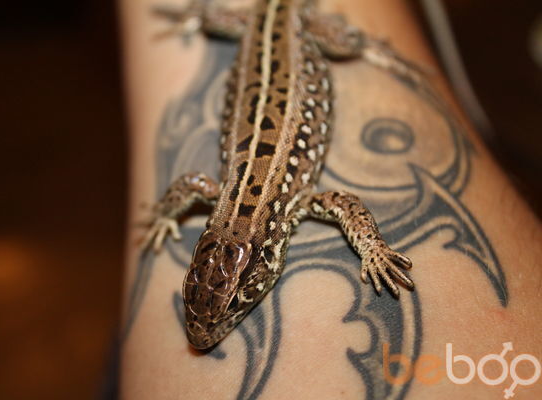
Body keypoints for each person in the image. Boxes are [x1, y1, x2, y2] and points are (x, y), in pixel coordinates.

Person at [118, 0, 542, 398]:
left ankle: (369, 46)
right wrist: (165, 214)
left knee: (348, 45)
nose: (203, 333)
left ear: (265, 263)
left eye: (231, 308)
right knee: (216, 19)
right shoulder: (251, 199)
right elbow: (195, 185)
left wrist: (372, 247)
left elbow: (342, 203)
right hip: (259, 25)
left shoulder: (275, 201)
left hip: (293, 25)